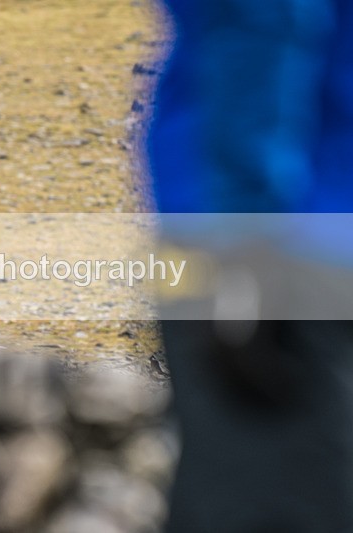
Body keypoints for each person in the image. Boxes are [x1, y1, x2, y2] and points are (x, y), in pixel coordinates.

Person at [147, 0, 353, 531]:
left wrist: (245, 238)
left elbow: (267, 19)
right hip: (318, 214)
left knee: (256, 494)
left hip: (275, 229)